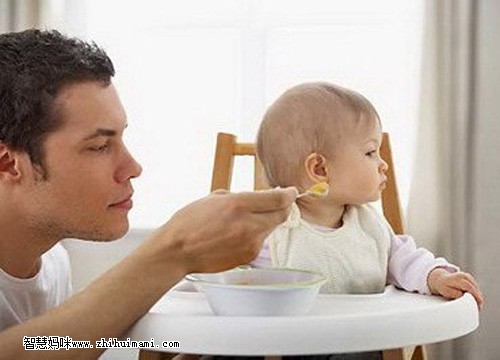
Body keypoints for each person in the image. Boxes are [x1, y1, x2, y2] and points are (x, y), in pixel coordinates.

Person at [0, 29, 297, 359]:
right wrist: (173, 250)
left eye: (120, 140)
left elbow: (49, 346)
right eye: (99, 146)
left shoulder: (52, 265)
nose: (132, 167)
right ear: (9, 163)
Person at [254, 82, 484, 304]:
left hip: (365, 341)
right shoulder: (269, 232)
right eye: (371, 152)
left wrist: (435, 277)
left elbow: (406, 261)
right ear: (320, 169)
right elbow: (228, 272)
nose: (383, 165)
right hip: (293, 343)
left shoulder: (369, 226)